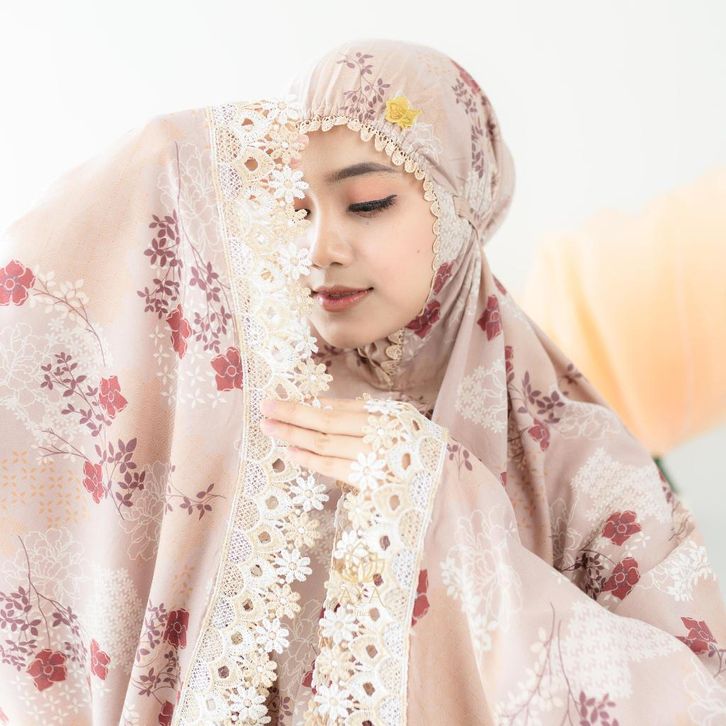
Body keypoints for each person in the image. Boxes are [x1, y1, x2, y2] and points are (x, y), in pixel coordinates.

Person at [0, 39, 723, 726]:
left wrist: (447, 510)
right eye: (295, 208)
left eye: (368, 203)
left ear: (459, 207)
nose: (320, 249)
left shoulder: (576, 457)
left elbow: (696, 700)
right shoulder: (243, 413)